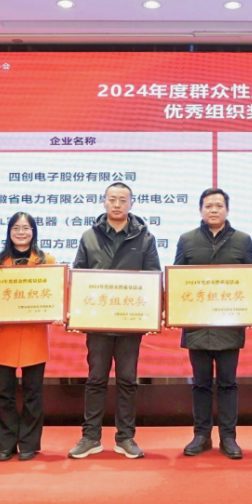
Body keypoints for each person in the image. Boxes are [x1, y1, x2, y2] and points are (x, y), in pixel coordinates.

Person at [68, 182, 162, 460]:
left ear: (132, 204)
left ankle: (125, 437)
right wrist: (77, 311)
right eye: (112, 199)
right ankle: (90, 437)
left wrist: (151, 313)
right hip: (97, 323)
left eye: (123, 199)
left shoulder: (145, 238)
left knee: (127, 380)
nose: (117, 204)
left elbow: (153, 277)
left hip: (129, 323)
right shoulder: (89, 236)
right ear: (104, 202)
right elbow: (78, 276)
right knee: (96, 379)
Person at [173, 188, 252, 459]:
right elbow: (177, 281)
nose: (213, 210)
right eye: (208, 205)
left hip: (229, 324)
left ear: (227, 210)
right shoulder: (187, 240)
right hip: (196, 324)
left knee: (228, 383)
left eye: (219, 206)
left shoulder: (242, 240)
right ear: (200, 210)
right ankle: (201, 435)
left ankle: (228, 437)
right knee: (200, 384)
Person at [0, 212, 57, 462]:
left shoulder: (47, 261)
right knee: (4, 392)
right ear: (9, 232)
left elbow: (55, 295)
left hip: (34, 335)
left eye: (26, 228)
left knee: (33, 392)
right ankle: (6, 444)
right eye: (16, 228)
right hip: (3, 336)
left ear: (34, 232)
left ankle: (28, 444)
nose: (21, 232)